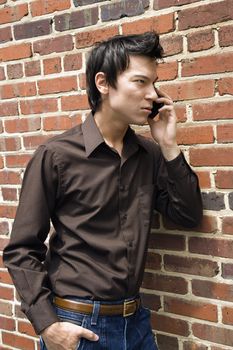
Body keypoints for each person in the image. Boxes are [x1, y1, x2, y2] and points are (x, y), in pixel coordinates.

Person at [3, 31, 203, 350]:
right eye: (140, 82)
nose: (153, 94)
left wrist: (168, 143)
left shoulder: (149, 155)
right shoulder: (56, 156)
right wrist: (48, 326)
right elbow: (21, 250)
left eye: (154, 83)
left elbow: (189, 214)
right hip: (79, 327)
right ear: (103, 83)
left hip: (136, 325)